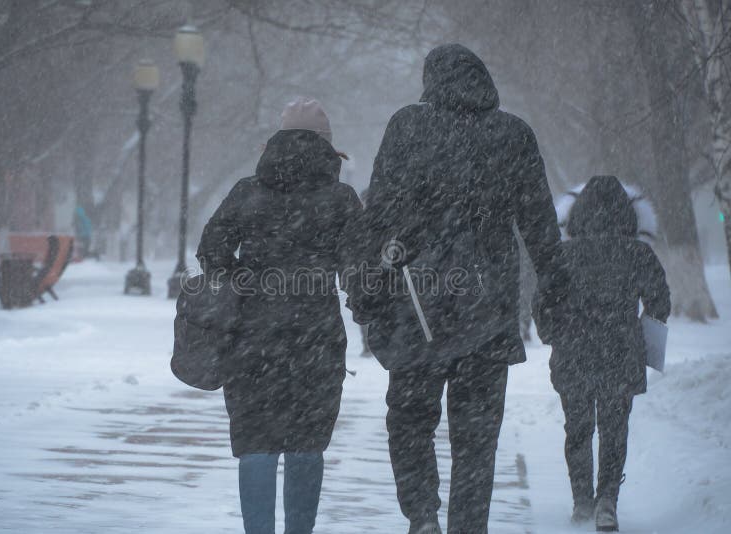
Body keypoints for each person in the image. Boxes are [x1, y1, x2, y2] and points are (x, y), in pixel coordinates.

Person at [346, 44, 566, 534]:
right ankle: (469, 526)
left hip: (415, 309)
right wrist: (554, 285)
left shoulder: (407, 125)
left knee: (408, 421)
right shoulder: (513, 134)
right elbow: (539, 225)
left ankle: (422, 515)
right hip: (485, 313)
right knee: (476, 439)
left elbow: (379, 211)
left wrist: (368, 283)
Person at [197, 97, 362, 534]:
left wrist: (243, 283)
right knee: (307, 444)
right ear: (328, 148)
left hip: (250, 337)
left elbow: (211, 251)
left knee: (255, 442)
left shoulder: (246, 192)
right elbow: (359, 270)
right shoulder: (340, 199)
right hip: (317, 339)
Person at [535, 175, 671, 532]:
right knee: (614, 429)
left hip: (573, 353)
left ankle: (582, 501)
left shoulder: (562, 254)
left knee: (578, 429)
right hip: (620, 352)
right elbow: (659, 300)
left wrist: (555, 335)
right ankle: (607, 502)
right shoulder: (638, 253)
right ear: (627, 215)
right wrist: (645, 337)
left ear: (577, 215)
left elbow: (542, 303)